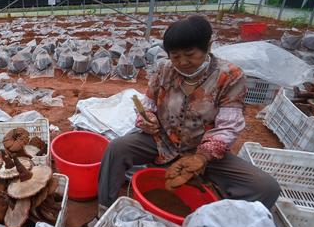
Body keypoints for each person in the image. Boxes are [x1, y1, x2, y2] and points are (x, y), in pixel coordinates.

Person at [97, 15, 280, 215]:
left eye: (190, 54)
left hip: (203, 151)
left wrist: (202, 157)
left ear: (208, 47)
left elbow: (228, 126)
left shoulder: (229, 76)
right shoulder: (164, 70)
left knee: (266, 187)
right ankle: (105, 210)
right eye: (175, 56)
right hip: (162, 141)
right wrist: (146, 119)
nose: (183, 62)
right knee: (117, 148)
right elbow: (147, 104)